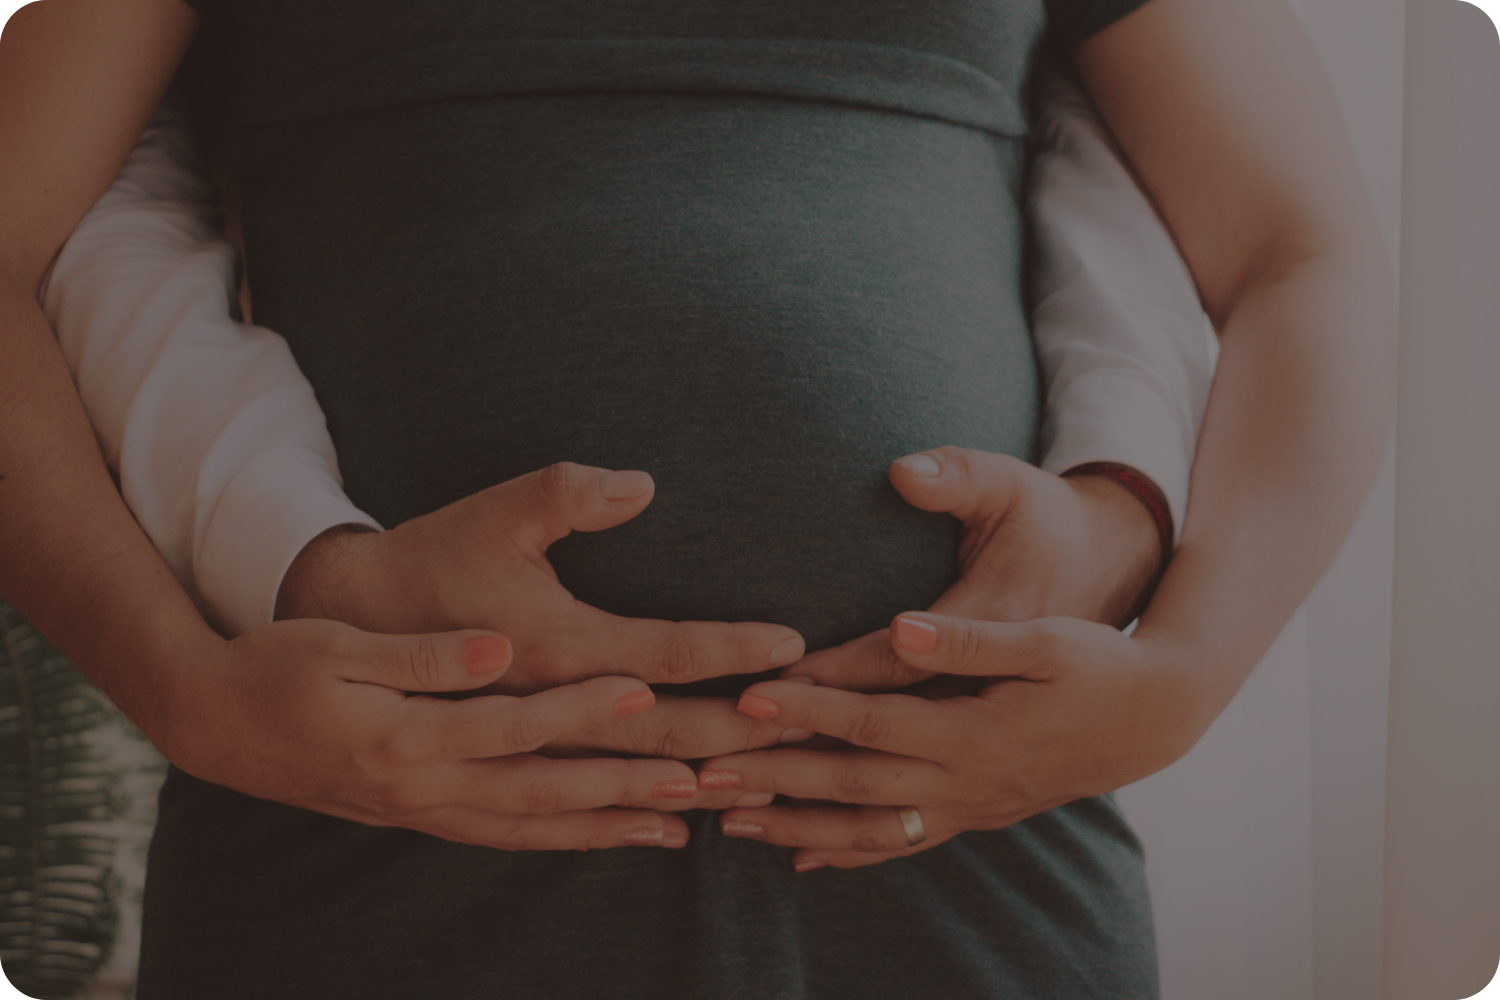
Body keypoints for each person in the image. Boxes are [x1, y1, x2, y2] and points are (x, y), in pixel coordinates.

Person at [0, 0, 1396, 996]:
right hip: (361, 867)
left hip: (973, 874)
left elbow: (1299, 255)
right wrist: (181, 687)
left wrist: (1187, 673)